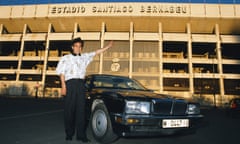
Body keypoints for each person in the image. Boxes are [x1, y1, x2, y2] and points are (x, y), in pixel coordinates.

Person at [56, 37, 113, 143]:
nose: (78, 48)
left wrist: (107, 47)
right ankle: (69, 133)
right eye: (76, 46)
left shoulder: (84, 57)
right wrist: (63, 86)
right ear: (72, 47)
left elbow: (96, 52)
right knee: (69, 111)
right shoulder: (66, 58)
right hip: (70, 84)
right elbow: (61, 73)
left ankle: (81, 135)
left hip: (81, 85)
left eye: (80, 46)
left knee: (81, 111)